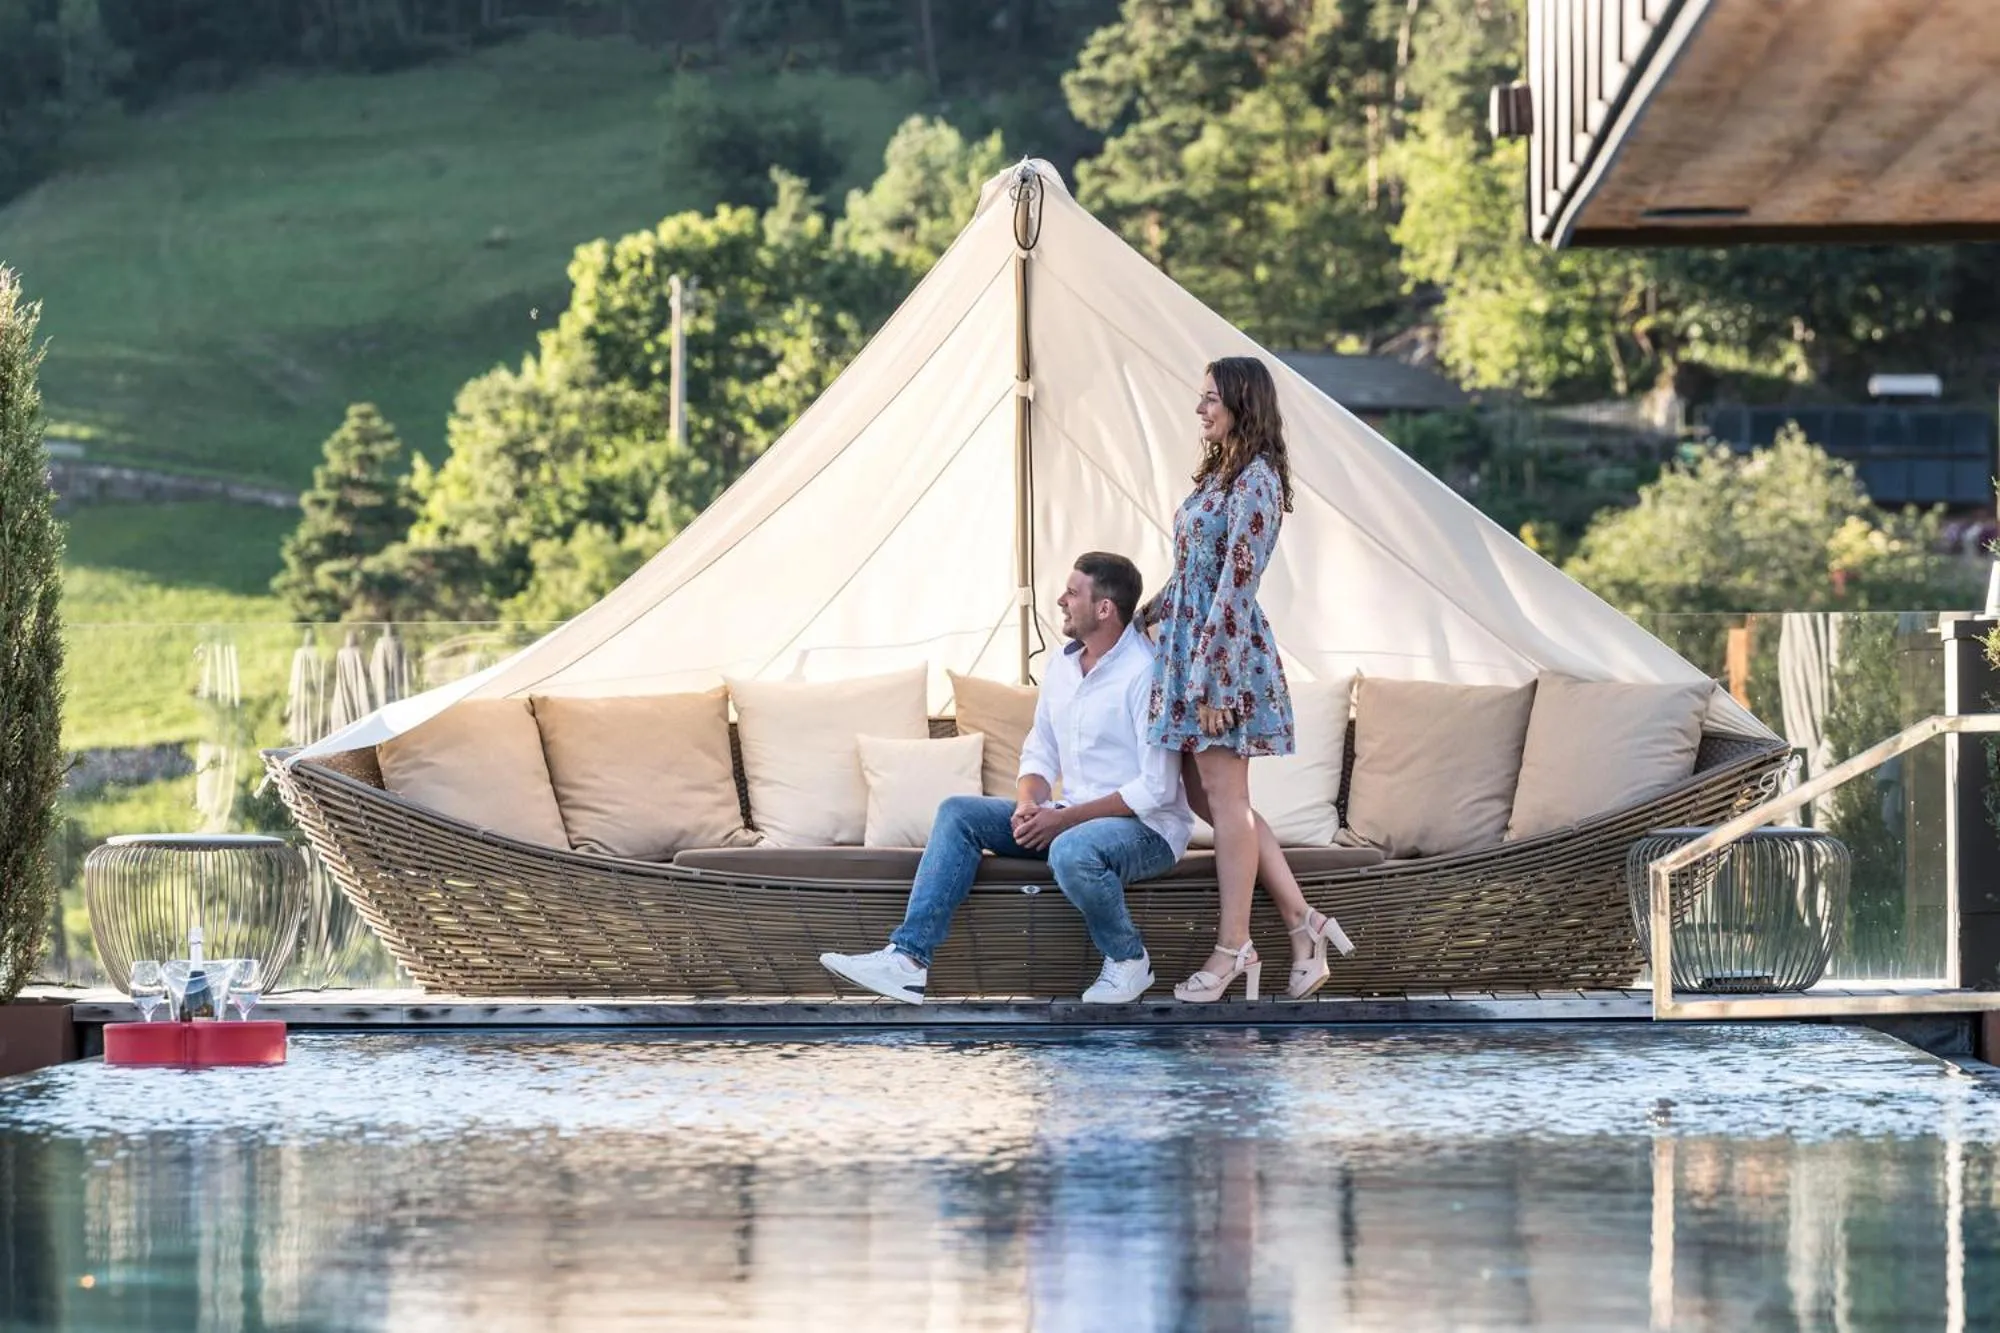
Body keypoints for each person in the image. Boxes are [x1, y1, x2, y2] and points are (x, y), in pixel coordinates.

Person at [820, 552, 1195, 1005]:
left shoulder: (1146, 673)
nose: (1061, 601)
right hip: (1073, 817)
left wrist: (1063, 820)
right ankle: (907, 962)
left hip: (1149, 830)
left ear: (1104, 608)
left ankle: (1129, 960)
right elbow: (1042, 748)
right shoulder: (1062, 665)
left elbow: (1156, 787)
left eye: (1072, 593)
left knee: (1072, 848)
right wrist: (1028, 803)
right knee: (959, 813)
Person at [1139, 356, 1352, 1002]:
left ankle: (1234, 948)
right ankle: (1303, 922)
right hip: (1190, 651)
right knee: (1208, 798)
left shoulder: (1257, 480)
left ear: (1241, 403)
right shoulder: (1217, 476)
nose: (1199, 408)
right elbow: (1191, 574)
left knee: (1226, 803)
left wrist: (1212, 683)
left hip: (1222, 661)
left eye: (1210, 398)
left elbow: (1236, 585)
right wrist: (1143, 615)